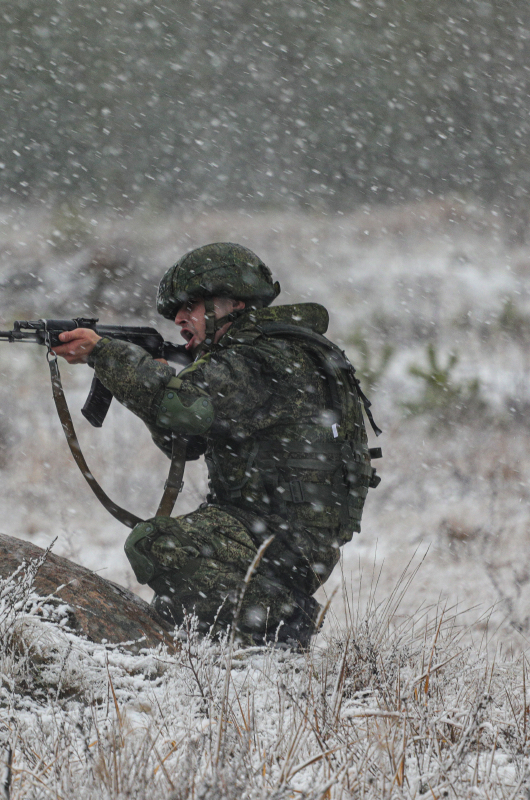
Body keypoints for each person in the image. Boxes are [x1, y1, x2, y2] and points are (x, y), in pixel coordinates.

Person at [52, 242, 380, 649]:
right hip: (274, 529)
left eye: (190, 306)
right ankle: (234, 644)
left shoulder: (260, 359)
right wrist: (147, 377)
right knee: (177, 600)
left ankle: (283, 623)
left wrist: (106, 354)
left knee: (158, 546)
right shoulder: (257, 353)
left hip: (283, 539)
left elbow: (184, 409)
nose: (179, 318)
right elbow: (185, 441)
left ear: (231, 303)